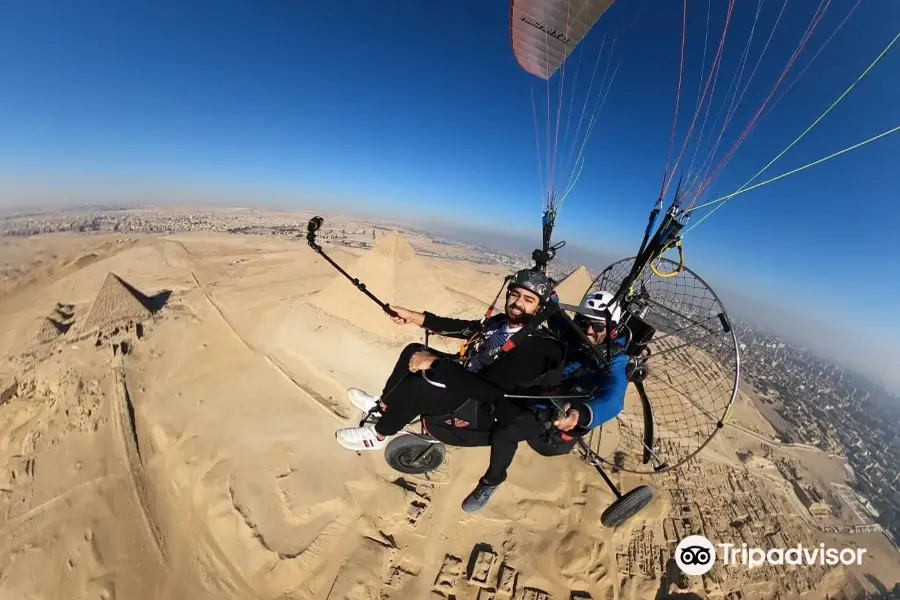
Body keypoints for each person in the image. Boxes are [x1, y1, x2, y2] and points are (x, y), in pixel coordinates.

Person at [334, 268, 564, 464]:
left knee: (419, 386)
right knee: (413, 350)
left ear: (539, 309)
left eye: (528, 299)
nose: (518, 303)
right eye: (515, 295)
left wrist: (436, 364)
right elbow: (464, 328)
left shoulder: (532, 347)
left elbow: (490, 391)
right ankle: (385, 405)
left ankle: (378, 433)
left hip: (475, 400)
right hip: (463, 372)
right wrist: (415, 317)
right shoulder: (501, 323)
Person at [459, 290, 630, 512]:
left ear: (611, 329)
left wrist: (582, 414)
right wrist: (547, 290)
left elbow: (614, 397)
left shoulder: (615, 359)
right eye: (584, 322)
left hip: (553, 414)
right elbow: (555, 313)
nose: (588, 330)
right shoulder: (576, 335)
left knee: (506, 431)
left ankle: (491, 481)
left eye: (598, 326)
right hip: (537, 387)